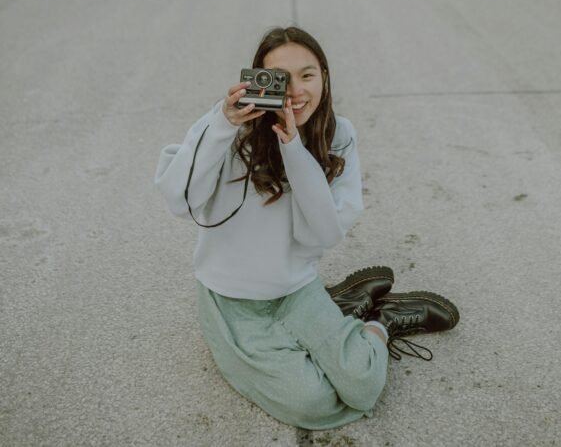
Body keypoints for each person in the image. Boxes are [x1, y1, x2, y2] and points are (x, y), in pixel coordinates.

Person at [154, 26, 459, 430]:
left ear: (325, 77)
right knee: (311, 404)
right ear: (258, 80)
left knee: (363, 386)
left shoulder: (339, 134)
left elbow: (320, 235)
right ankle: (344, 310)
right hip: (232, 302)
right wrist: (223, 123)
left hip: (296, 289)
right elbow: (182, 200)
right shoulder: (226, 129)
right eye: (281, 78)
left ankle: (379, 320)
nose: (295, 91)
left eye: (308, 75)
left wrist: (293, 147)